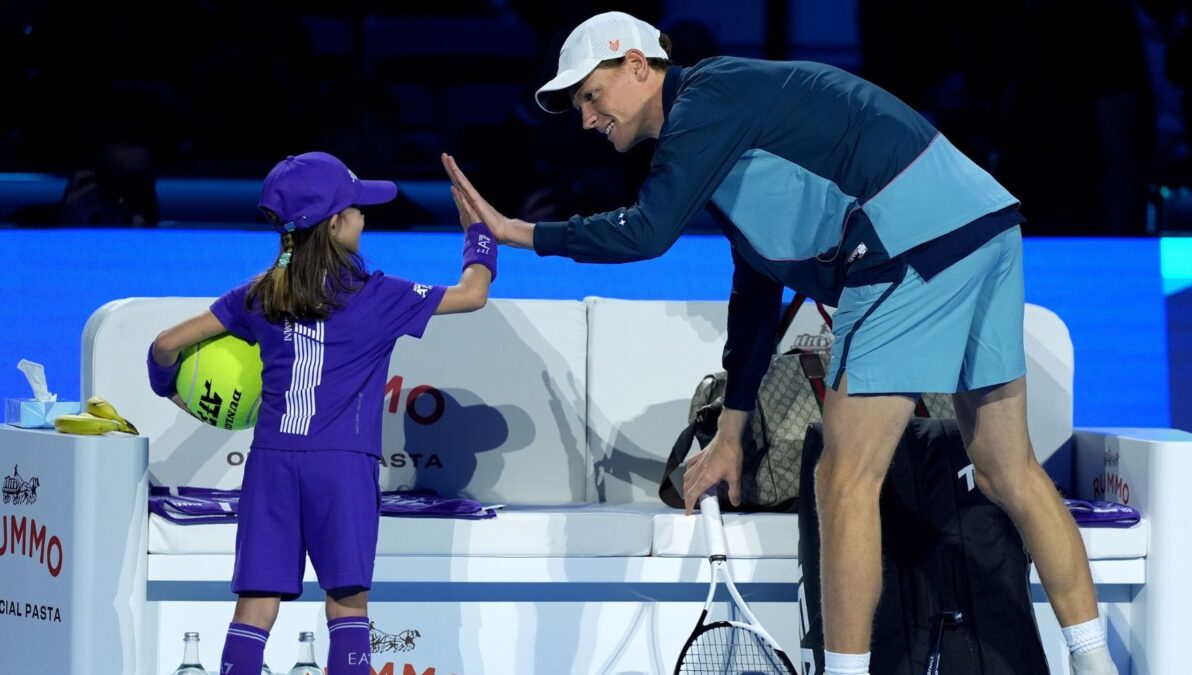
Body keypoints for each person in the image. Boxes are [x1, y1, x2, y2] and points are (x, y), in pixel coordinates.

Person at [442, 11, 1119, 675]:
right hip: (984, 223)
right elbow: (758, 292)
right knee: (1008, 469)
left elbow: (646, 233)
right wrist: (732, 433)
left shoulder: (704, 104)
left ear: (640, 66)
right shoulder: (727, 112)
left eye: (591, 96)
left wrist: (518, 232)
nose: (588, 119)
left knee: (843, 476)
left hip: (906, 238)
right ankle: (1095, 661)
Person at [145, 151, 497, 675]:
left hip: (270, 467)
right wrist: (479, 233)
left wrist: (171, 391)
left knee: (256, 607)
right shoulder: (379, 295)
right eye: (357, 208)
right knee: (347, 605)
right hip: (343, 469)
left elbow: (164, 345)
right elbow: (473, 294)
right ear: (335, 223)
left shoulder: (259, 296)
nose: (364, 215)